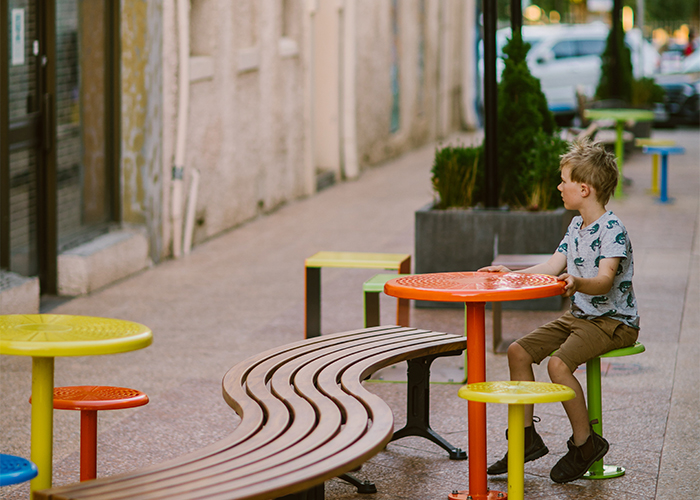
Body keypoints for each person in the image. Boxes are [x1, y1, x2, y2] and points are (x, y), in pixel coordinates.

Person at [479, 138, 640, 484]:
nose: (558, 186)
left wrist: (577, 283)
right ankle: (525, 440)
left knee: (557, 364)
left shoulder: (612, 229)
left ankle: (585, 444)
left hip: (613, 321)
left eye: (563, 180)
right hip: (581, 316)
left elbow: (603, 281)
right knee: (518, 351)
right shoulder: (576, 226)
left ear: (584, 188)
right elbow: (552, 265)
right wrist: (512, 275)